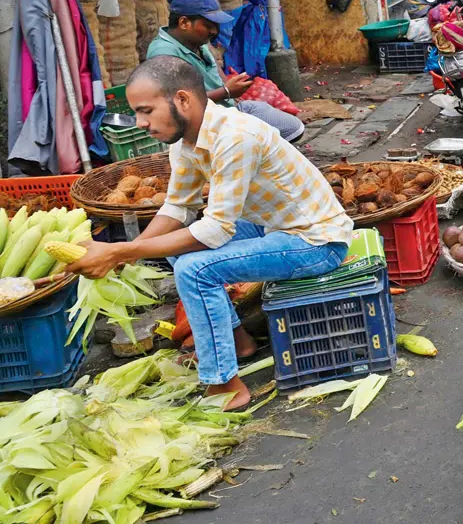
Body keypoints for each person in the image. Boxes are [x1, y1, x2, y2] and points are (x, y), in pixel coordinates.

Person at [68, 57, 353, 410]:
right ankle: (238, 343)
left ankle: (227, 386)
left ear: (183, 100)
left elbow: (215, 231)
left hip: (315, 242)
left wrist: (120, 252)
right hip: (275, 228)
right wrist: (130, 249)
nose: (141, 123)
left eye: (146, 111)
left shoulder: (235, 137)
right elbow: (177, 209)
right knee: (175, 249)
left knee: (194, 268)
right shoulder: (185, 143)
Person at [147, 0, 305, 142]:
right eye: (209, 26)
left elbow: (214, 66)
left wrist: (230, 88)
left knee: (293, 128)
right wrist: (226, 91)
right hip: (202, 124)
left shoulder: (195, 41)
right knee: (269, 138)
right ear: (184, 23)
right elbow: (176, 104)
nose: (215, 31)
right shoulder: (163, 54)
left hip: (227, 109)